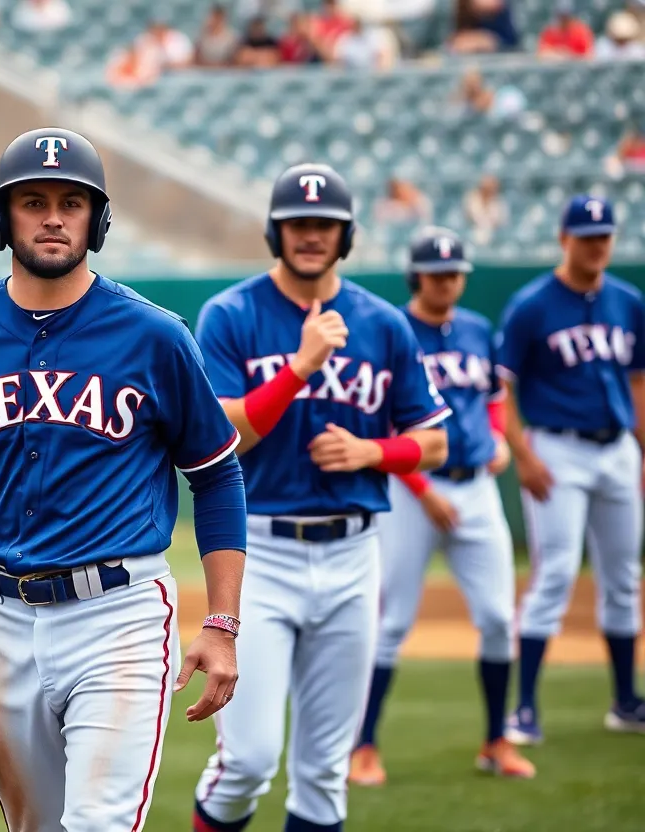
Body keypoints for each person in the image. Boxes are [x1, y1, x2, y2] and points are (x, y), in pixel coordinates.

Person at [0, 127, 247, 831]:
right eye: (33, 201)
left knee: (97, 824)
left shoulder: (155, 336)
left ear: (99, 219)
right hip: (0, 619)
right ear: (3, 218)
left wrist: (221, 622)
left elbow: (216, 476)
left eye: (73, 201)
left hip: (117, 614)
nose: (55, 216)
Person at [191, 162, 450, 832]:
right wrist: (301, 366)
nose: (311, 236)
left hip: (355, 552)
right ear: (276, 232)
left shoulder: (382, 323)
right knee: (246, 760)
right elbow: (223, 437)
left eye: (325, 226)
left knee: (324, 772)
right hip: (262, 555)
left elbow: (434, 443)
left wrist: (373, 452)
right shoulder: (232, 314)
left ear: (347, 236)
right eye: (298, 224)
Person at [350, 226, 535, 788]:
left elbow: (494, 396)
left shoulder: (478, 329)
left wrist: (499, 437)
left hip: (475, 487)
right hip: (412, 492)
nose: (448, 281)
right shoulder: (394, 330)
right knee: (391, 622)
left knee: (501, 618)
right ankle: (364, 746)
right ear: (416, 276)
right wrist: (425, 493)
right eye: (437, 273)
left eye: (456, 273)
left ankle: (497, 740)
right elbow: (380, 420)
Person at [497, 195, 645, 744]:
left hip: (617, 449)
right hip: (557, 449)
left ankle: (626, 701)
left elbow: (637, 382)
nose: (598, 245)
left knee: (625, 577)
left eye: (605, 235)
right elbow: (503, 386)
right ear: (564, 238)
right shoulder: (532, 305)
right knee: (556, 571)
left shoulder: (628, 301)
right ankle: (525, 708)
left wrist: (642, 451)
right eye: (587, 236)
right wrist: (525, 454)